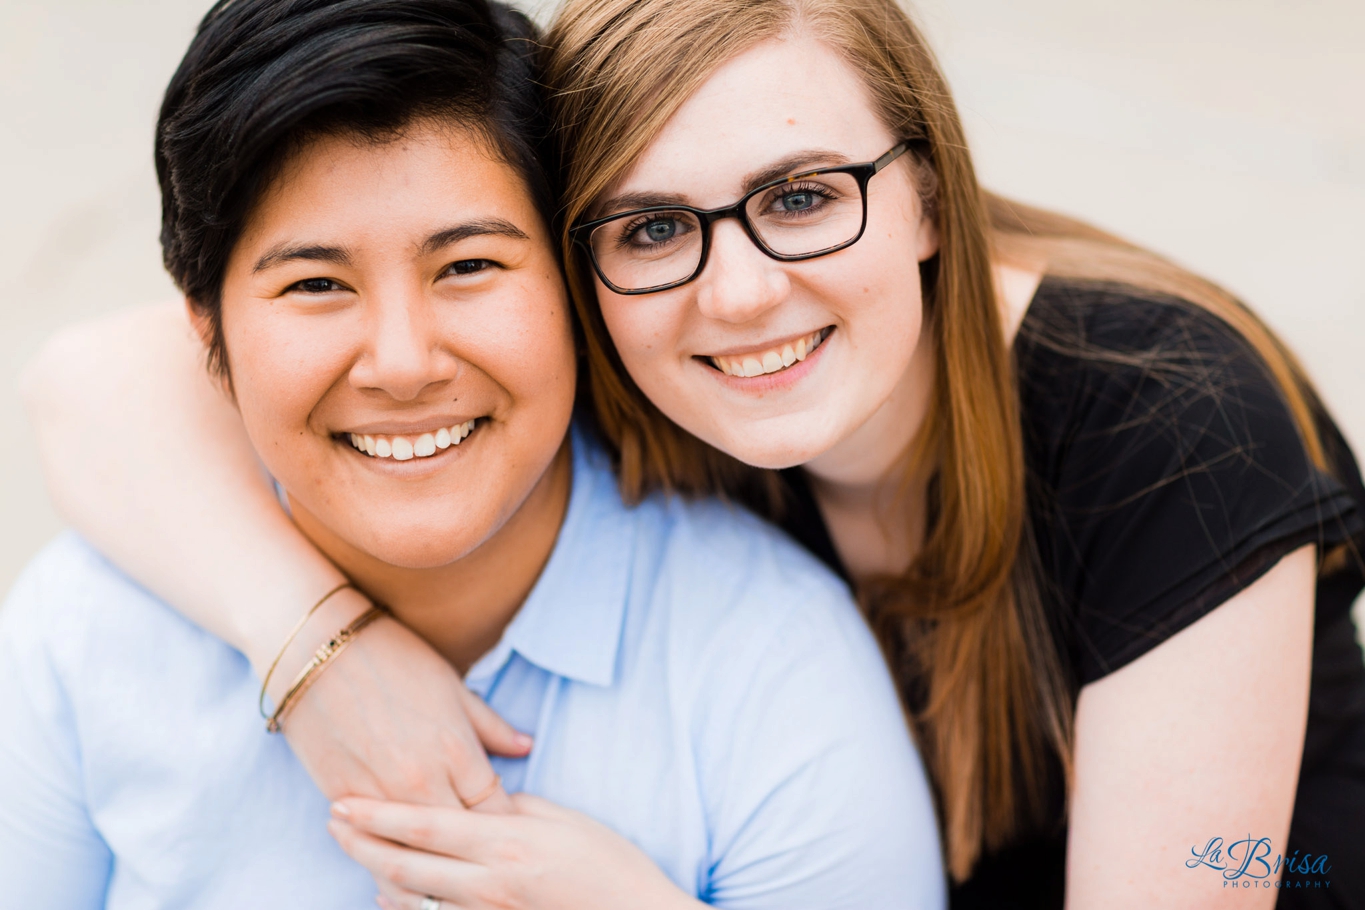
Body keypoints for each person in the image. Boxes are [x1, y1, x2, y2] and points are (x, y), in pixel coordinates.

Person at [22, 0, 1365, 907]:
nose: (736, 294)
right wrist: (318, 645)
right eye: (653, 225)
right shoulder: (624, 366)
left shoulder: (1161, 418)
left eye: (801, 198)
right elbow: (93, 379)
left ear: (931, 197)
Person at [0, 1, 947, 907]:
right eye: (316, 284)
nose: (403, 365)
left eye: (468, 267)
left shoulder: (777, 671)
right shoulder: (83, 638)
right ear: (207, 331)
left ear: (578, 288)